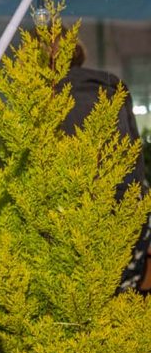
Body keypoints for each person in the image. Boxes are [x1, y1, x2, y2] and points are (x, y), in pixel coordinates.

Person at [58, 41, 151, 292]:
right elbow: (135, 161)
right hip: (124, 215)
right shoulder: (111, 86)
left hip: (70, 222)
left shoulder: (47, 93)